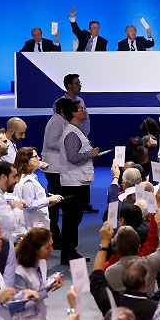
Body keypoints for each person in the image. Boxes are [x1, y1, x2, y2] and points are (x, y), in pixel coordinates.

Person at [11, 227, 64, 320]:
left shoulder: (41, 261)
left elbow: (38, 285)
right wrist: (45, 292)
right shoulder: (19, 272)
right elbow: (18, 305)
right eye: (48, 247)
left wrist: (51, 283)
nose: (52, 250)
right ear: (35, 249)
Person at [58, 99, 99, 264]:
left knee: (74, 219)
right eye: (81, 108)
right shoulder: (72, 133)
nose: (84, 111)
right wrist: (91, 154)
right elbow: (73, 157)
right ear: (74, 113)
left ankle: (70, 252)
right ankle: (68, 254)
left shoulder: (76, 131)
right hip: (73, 183)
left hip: (78, 181)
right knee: (71, 220)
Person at [43, 97, 73, 246]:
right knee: (54, 205)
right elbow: (50, 143)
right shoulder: (56, 122)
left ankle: (55, 235)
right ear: (63, 109)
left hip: (57, 168)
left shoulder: (61, 121)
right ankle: (54, 237)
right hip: (53, 169)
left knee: (57, 204)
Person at [14, 147, 63, 229]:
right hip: (34, 226)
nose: (39, 159)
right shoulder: (28, 182)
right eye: (36, 156)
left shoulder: (27, 178)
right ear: (28, 161)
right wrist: (49, 200)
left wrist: (49, 203)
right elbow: (29, 205)